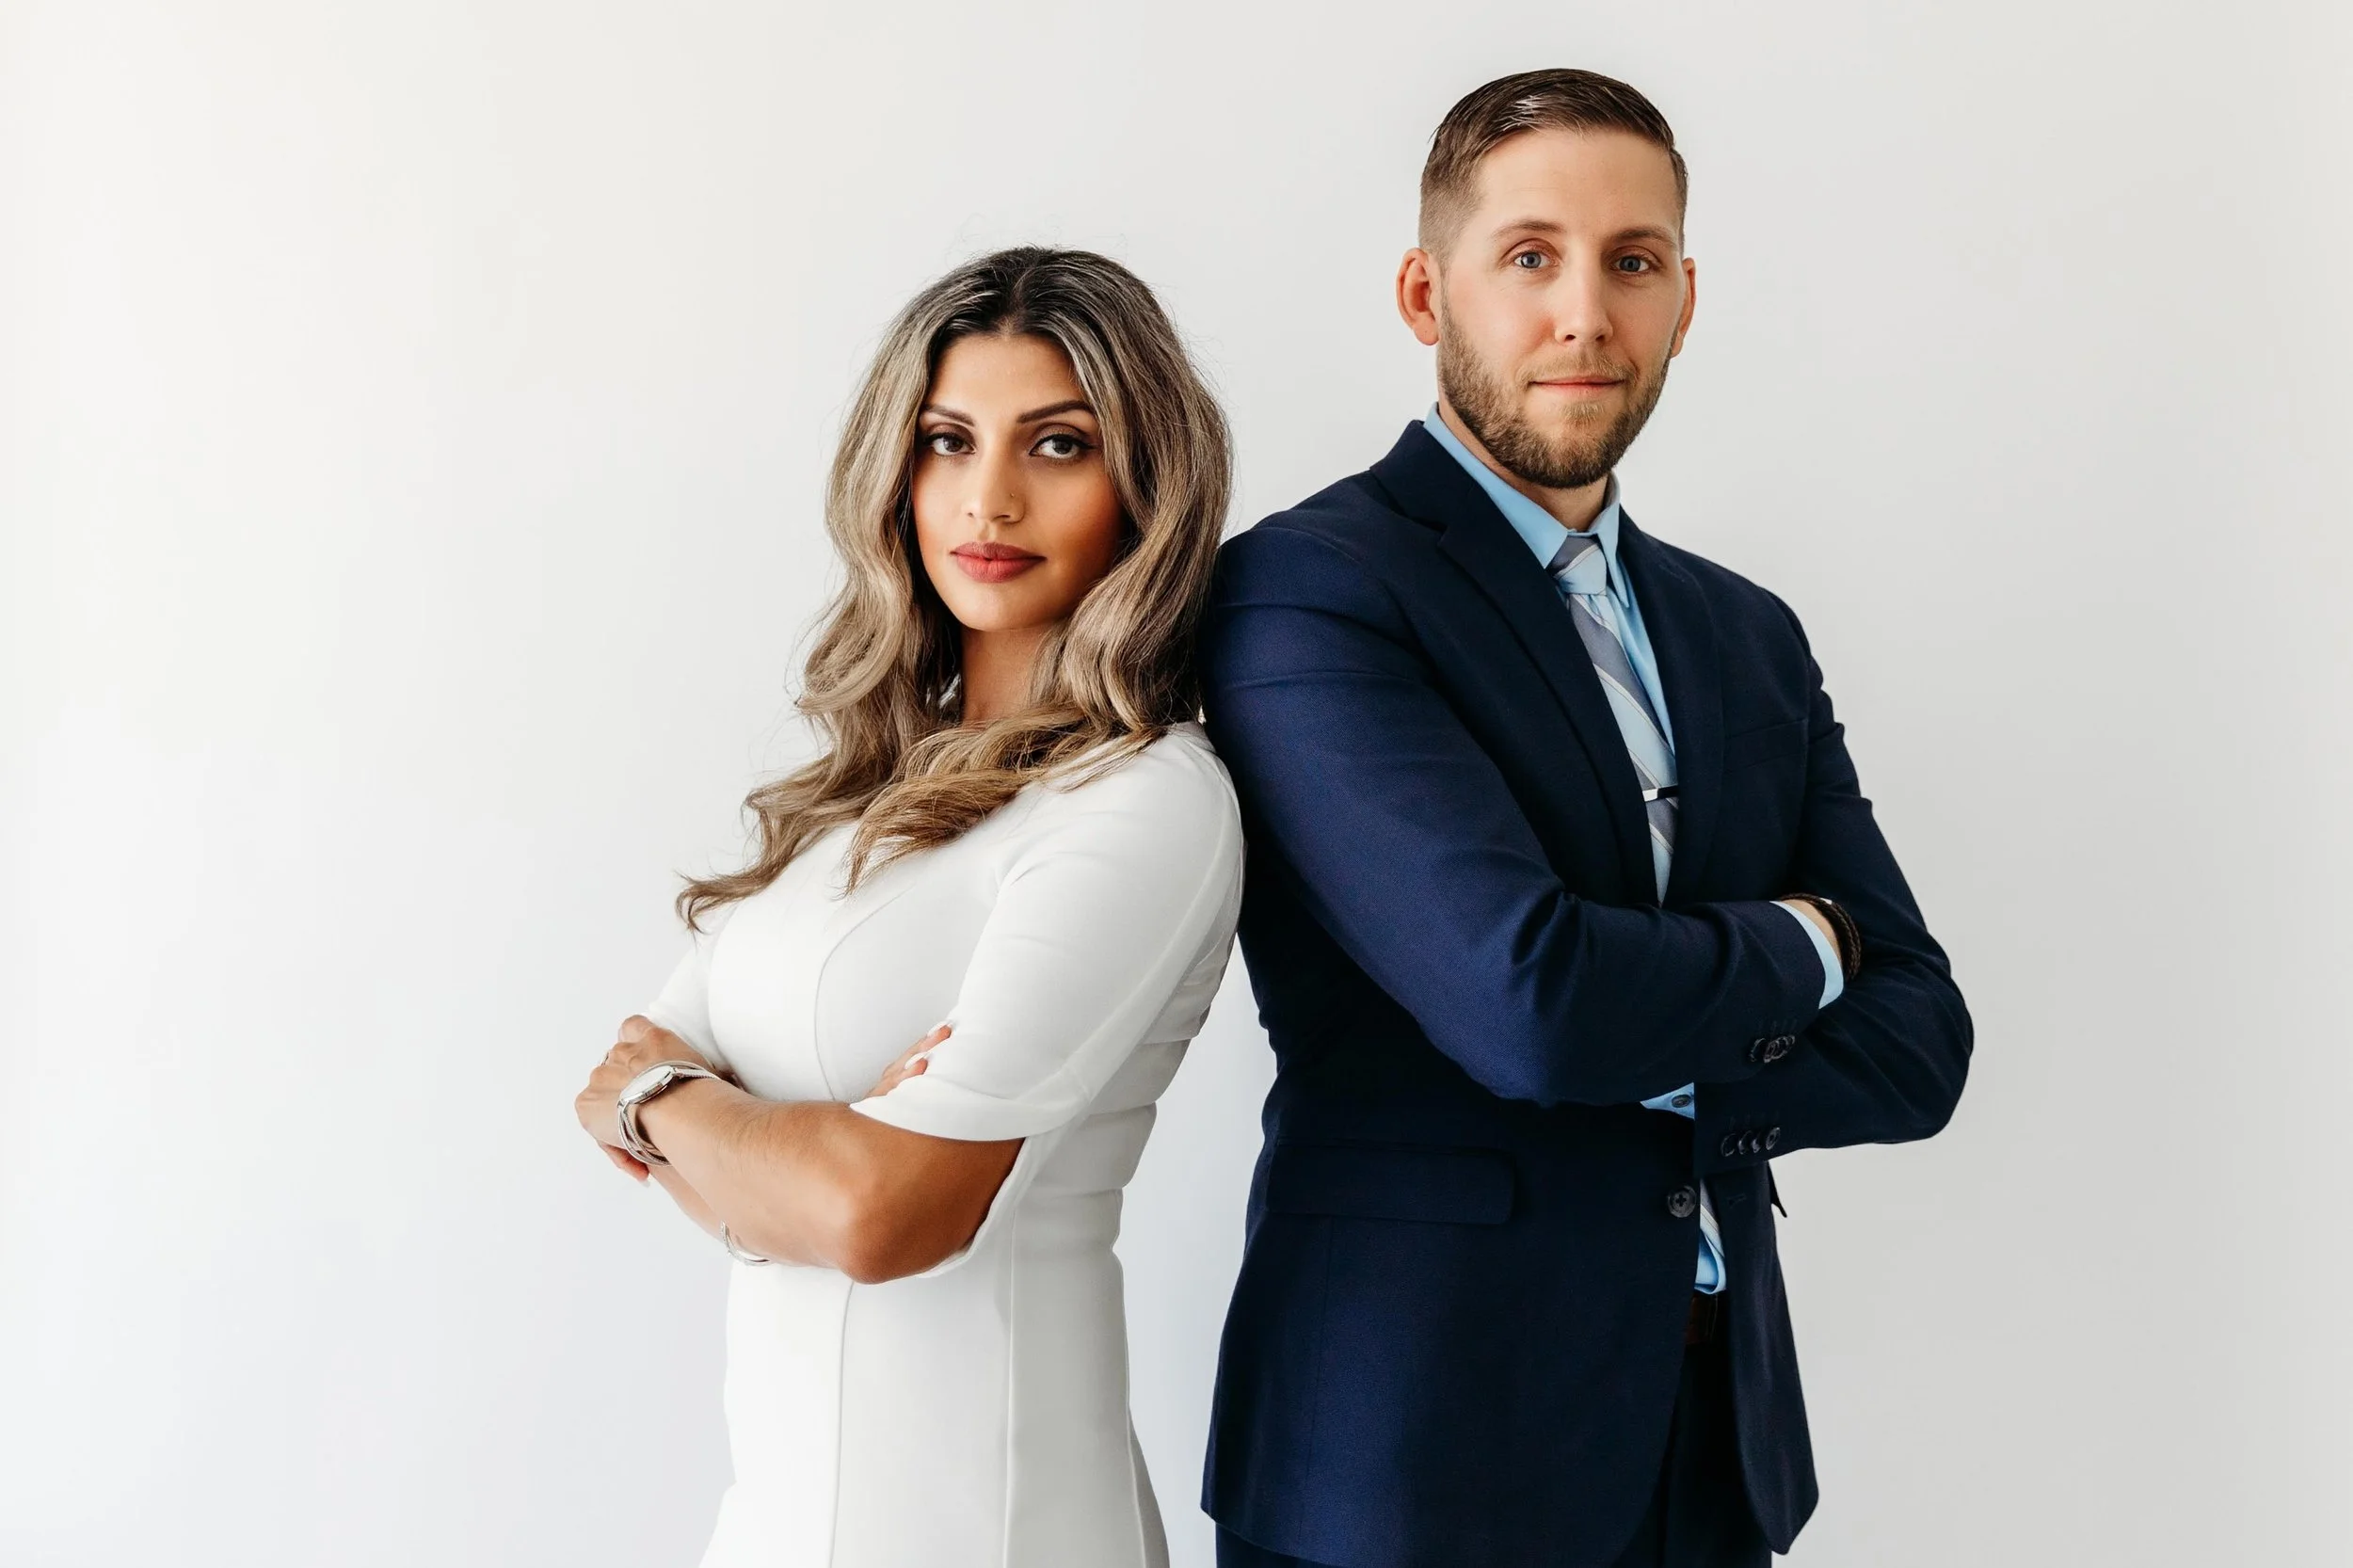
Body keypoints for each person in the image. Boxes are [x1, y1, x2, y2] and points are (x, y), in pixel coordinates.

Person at [1197, 71, 1973, 1568]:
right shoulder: (1310, 591)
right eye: (1530, 256)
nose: (1585, 315)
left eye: (1633, 261)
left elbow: (1924, 1038)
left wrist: (1664, 1046)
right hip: (1409, 1469)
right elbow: (1534, 1004)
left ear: (1685, 300)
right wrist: (1809, 944)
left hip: (1711, 1457)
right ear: (1426, 293)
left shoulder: (1747, 634)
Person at [572, 247, 1244, 1568]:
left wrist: (692, 1115)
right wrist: (783, 1144)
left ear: (1145, 487)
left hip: (998, 1527)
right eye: (948, 441)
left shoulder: (1143, 798)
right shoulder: (855, 797)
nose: (989, 495)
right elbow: (614, 1092)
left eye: (1059, 444)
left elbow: (883, 1216)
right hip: (772, 1527)